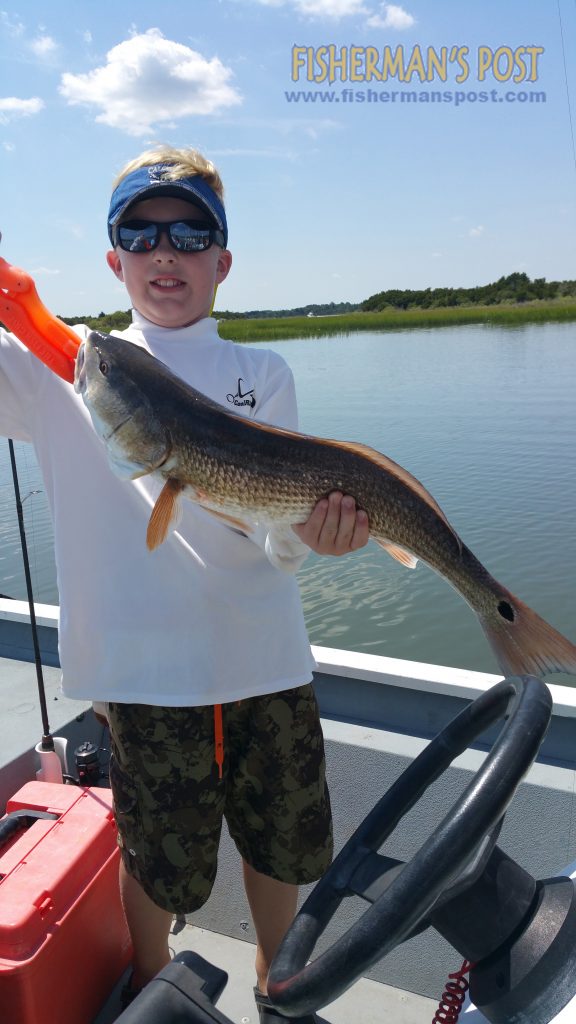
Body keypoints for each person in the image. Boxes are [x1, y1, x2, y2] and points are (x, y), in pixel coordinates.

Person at [0, 144, 369, 1022]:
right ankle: (151, 975)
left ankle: (279, 986)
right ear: (114, 258)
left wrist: (315, 541)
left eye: (191, 232)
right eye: (142, 231)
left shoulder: (262, 375)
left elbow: (275, 539)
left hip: (265, 658)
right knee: (154, 854)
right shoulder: (67, 368)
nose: (167, 252)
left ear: (223, 260)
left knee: (283, 847)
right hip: (140, 672)